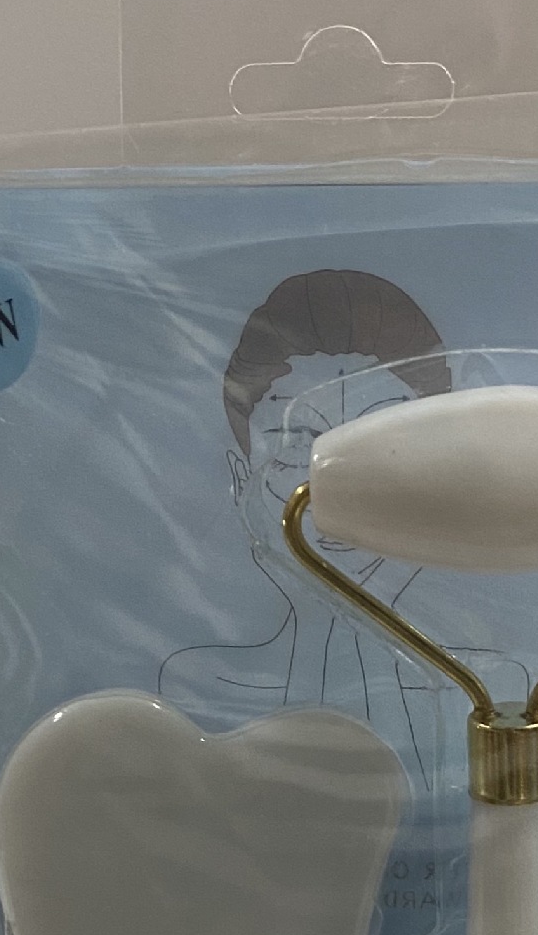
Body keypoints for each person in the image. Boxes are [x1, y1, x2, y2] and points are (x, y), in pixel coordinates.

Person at [160, 268, 517, 782]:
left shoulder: (496, 688)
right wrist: (325, 614)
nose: (338, 491)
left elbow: (438, 817)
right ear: (242, 479)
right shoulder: (200, 687)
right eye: (296, 449)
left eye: (384, 448)